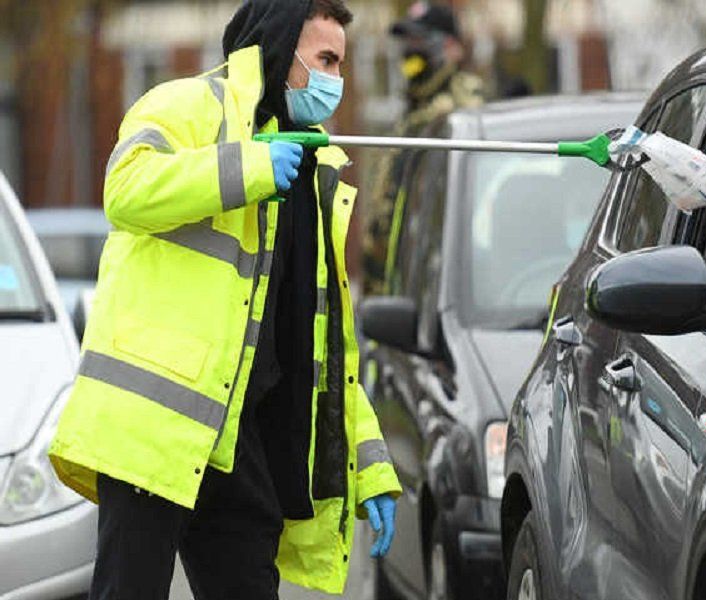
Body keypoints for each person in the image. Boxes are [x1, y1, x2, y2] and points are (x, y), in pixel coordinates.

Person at [47, 1, 401, 598]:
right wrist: (249, 167)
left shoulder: (314, 170)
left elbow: (321, 347)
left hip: (240, 442)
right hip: (154, 429)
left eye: (341, 64)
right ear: (280, 50)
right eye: (325, 60)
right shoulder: (183, 105)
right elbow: (125, 189)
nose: (335, 80)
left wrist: (369, 468)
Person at [362, 1, 484, 293]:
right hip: (391, 278)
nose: (411, 51)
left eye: (421, 41)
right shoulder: (412, 110)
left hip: (437, 281)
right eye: (408, 42)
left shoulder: (465, 111)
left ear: (452, 48)